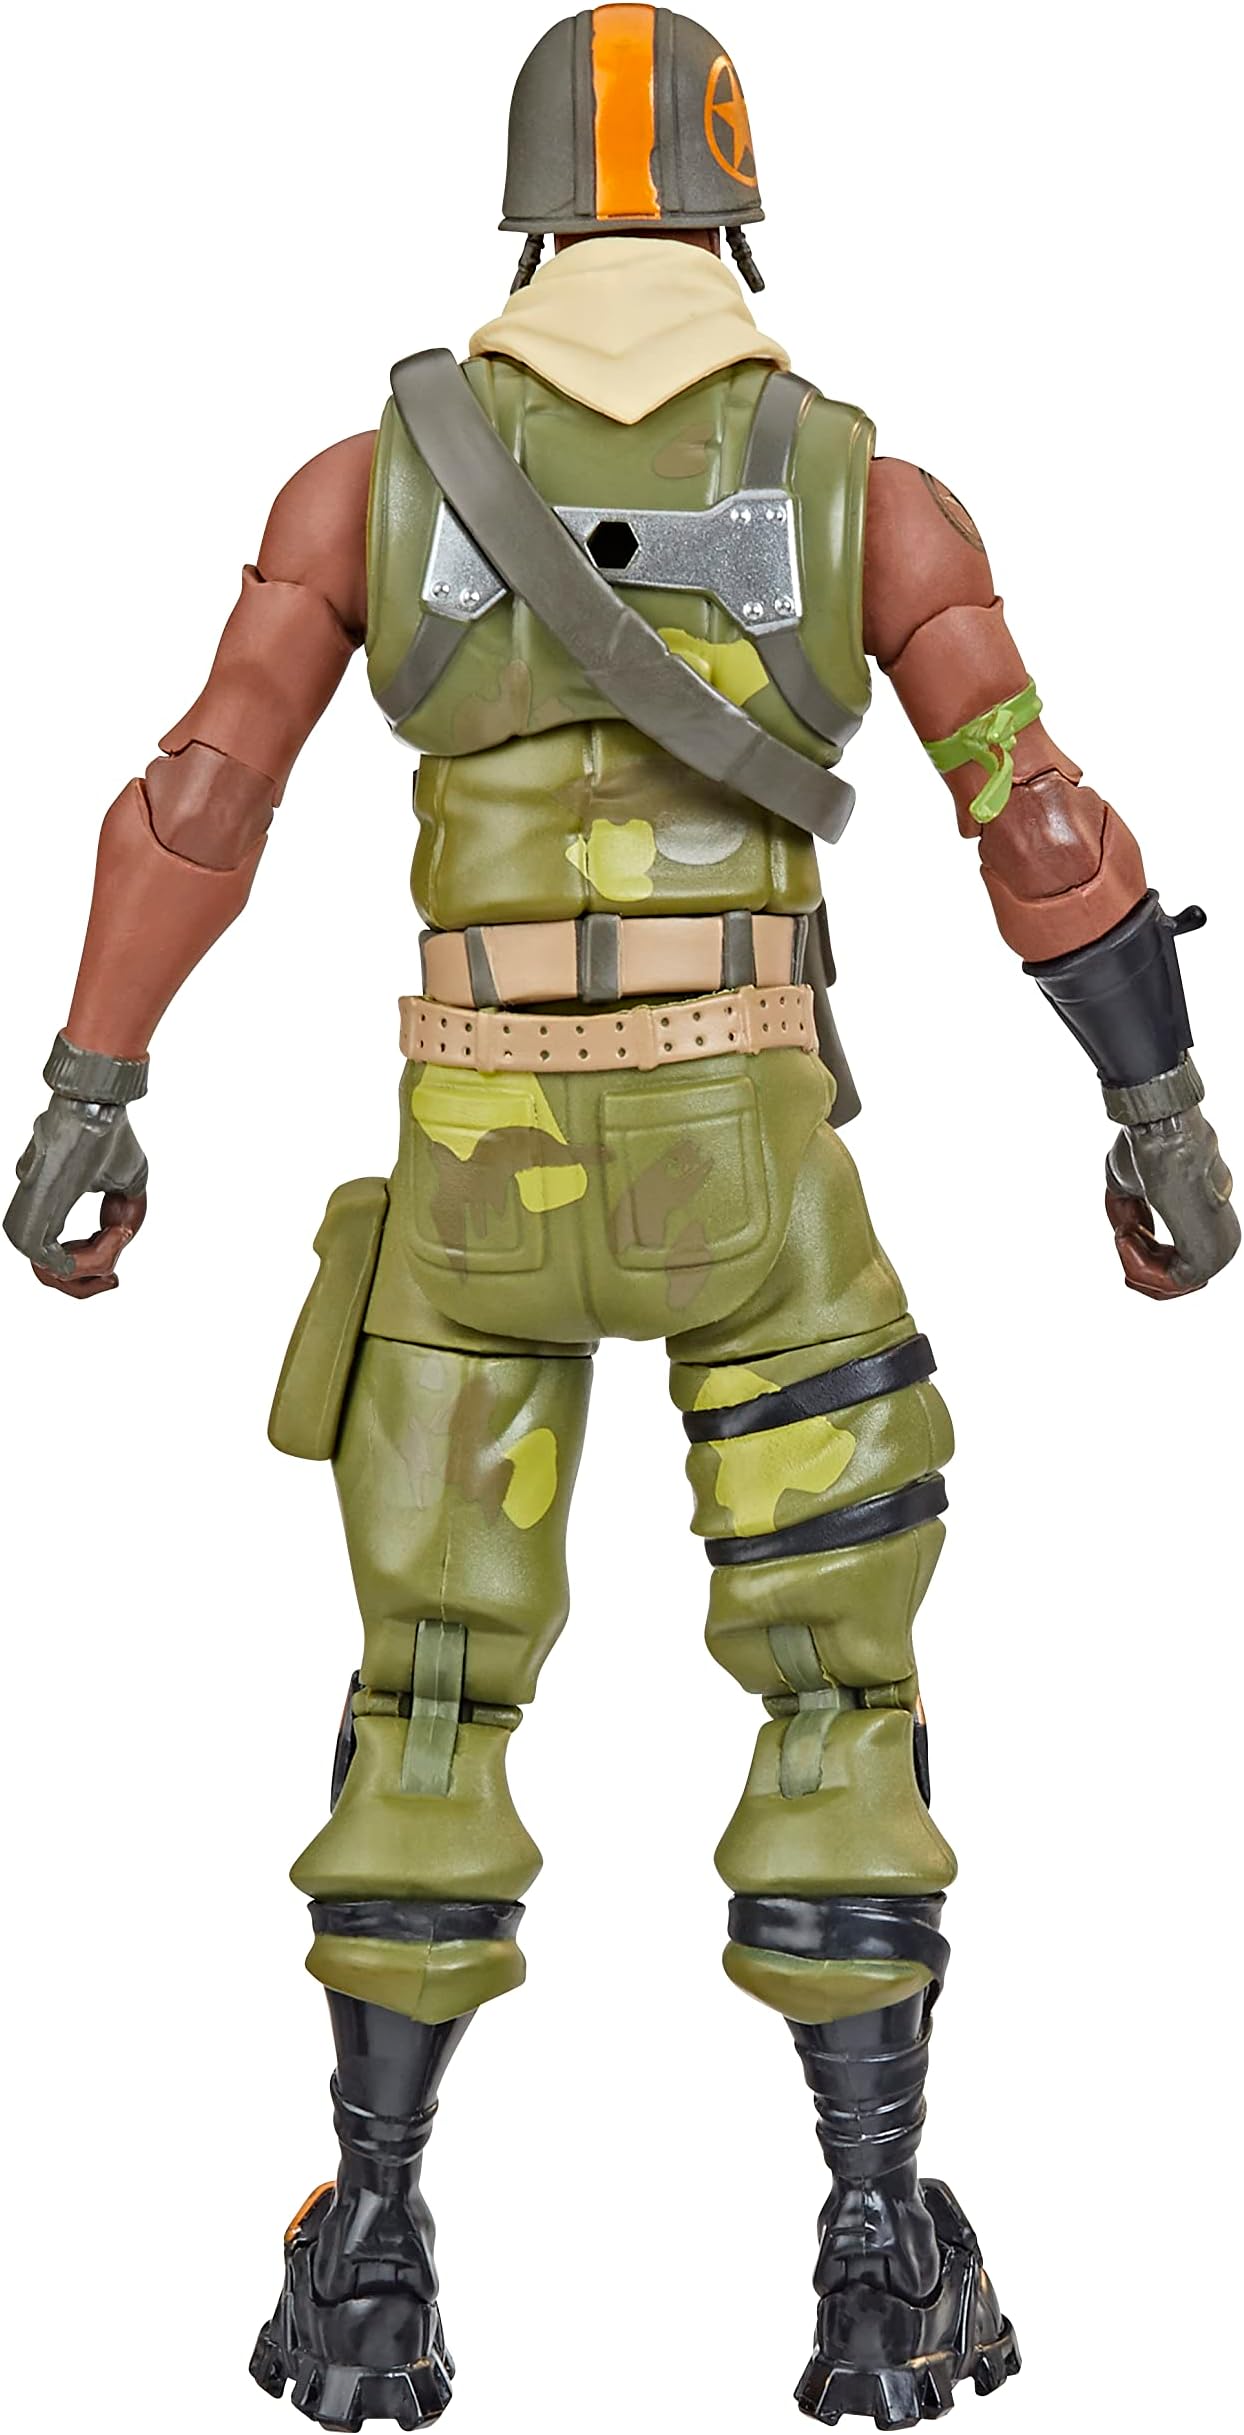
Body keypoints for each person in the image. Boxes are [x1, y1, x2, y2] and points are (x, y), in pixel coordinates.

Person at [6, 9, 1237, 2429]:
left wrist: (90, 1086)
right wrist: (1158, 1114)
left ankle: (372, 2254)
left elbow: (202, 795)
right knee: (832, 1681)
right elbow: (1036, 818)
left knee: (430, 1686)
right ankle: (873, 2252)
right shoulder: (868, 494)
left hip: (475, 1153)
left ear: (525, 211)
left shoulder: (366, 486)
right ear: (739, 210)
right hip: (747, 1158)